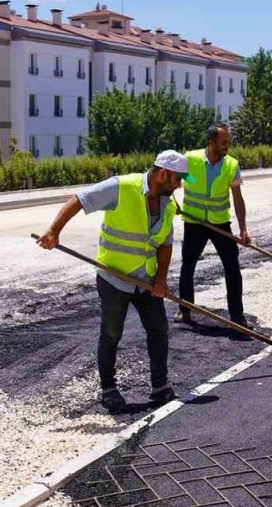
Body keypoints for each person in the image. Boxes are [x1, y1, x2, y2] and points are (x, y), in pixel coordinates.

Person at [37, 150, 191, 411]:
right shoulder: (122, 187)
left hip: (147, 279)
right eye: (178, 179)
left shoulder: (168, 203)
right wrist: (54, 231)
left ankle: (160, 386)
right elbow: (80, 199)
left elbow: (165, 243)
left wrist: (161, 280)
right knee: (111, 333)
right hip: (114, 278)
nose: (179, 185)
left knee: (158, 330)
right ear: (163, 173)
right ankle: (109, 389)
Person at [177, 124, 249, 327]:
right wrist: (188, 182)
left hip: (220, 223)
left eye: (228, 142)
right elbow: (175, 178)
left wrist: (243, 228)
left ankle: (237, 316)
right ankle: (185, 310)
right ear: (211, 143)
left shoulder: (231, 165)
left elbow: (238, 198)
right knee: (187, 266)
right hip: (194, 222)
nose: (228, 146)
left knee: (232, 268)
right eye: (224, 142)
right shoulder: (190, 159)